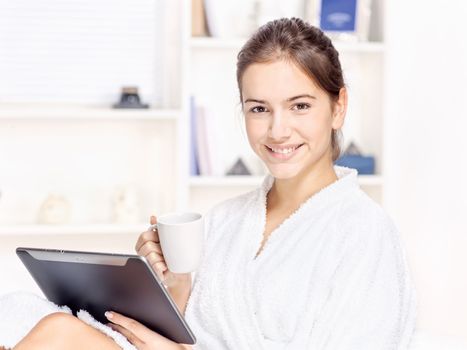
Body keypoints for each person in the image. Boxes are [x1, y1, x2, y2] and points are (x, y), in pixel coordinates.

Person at [1, 17, 417, 349]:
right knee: (41, 323)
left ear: (338, 106)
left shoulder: (365, 233)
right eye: (259, 109)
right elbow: (187, 332)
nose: (278, 130)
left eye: (300, 106)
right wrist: (172, 285)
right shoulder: (222, 221)